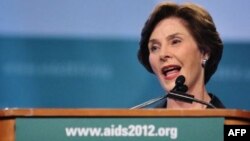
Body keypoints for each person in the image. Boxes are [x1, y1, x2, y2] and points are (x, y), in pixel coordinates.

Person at [137, 1, 225, 109]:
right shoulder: (145, 124)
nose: (163, 54)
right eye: (154, 48)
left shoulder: (230, 124)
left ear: (204, 52)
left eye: (175, 42)